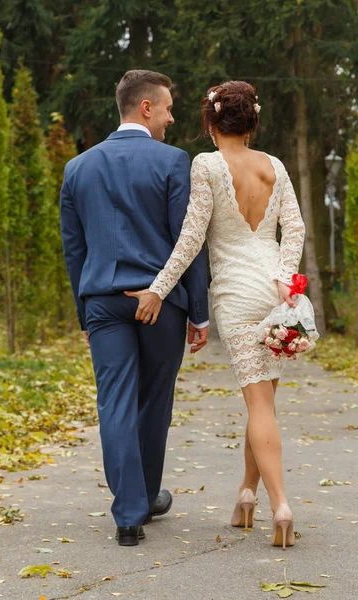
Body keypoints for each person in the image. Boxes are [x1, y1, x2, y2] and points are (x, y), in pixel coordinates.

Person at [132, 81, 306, 550]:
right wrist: (286, 280)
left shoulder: (206, 164)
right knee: (265, 399)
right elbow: (295, 228)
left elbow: (192, 238)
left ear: (211, 123)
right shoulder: (275, 166)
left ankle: (280, 503)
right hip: (274, 291)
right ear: (252, 122)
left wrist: (157, 289)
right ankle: (246, 495)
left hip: (235, 292)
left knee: (259, 405)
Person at [60, 70, 209, 547]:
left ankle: (129, 513)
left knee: (116, 401)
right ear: (145, 108)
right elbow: (189, 243)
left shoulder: (77, 168)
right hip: (159, 301)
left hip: (102, 301)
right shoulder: (172, 162)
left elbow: (74, 250)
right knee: (154, 400)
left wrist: (86, 313)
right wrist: (199, 312)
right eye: (167, 107)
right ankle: (143, 495)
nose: (171, 117)